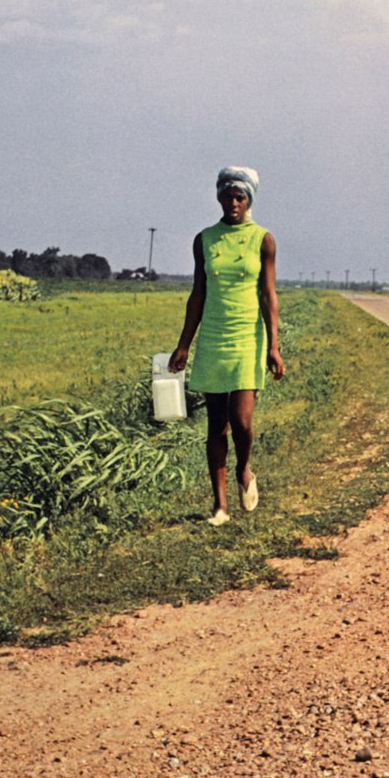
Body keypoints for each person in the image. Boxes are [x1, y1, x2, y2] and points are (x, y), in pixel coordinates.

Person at [169, 166, 284, 526]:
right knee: (217, 424)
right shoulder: (204, 239)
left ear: (249, 199)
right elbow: (198, 294)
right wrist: (184, 344)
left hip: (248, 338)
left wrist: (274, 346)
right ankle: (219, 506)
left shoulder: (263, 239)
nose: (233, 203)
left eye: (240, 197)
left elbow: (268, 295)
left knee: (242, 421)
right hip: (214, 338)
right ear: (219, 197)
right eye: (227, 196)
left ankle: (244, 468)